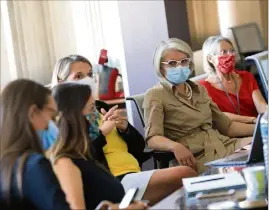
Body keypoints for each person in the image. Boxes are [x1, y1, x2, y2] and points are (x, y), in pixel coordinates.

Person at [49, 83, 197, 208]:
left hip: (130, 177)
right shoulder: (68, 160)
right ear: (74, 116)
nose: (95, 114)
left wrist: (125, 128)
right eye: (91, 108)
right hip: (121, 178)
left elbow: (140, 148)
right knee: (185, 175)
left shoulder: (103, 112)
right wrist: (102, 133)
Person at [143, 38, 255, 174]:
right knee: (247, 169)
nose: (179, 67)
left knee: (264, 149)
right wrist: (175, 146)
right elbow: (152, 138)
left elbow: (228, 127)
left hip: (226, 146)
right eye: (172, 63)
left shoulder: (199, 89)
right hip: (197, 157)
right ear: (161, 67)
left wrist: (261, 128)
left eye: (184, 61)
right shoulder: (156, 94)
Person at [0, 79, 70, 210]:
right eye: (52, 116)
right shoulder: (34, 166)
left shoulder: (7, 163)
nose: (55, 125)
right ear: (33, 113)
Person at [200, 36, 267, 123]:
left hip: (259, 127)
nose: (230, 55)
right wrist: (253, 120)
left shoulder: (246, 77)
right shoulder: (204, 87)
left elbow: (261, 105)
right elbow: (220, 116)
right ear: (210, 58)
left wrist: (266, 117)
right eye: (224, 52)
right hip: (233, 133)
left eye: (232, 51)